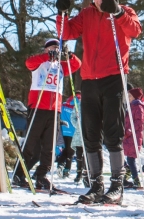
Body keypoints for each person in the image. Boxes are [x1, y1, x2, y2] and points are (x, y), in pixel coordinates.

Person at [56, 0, 142, 205]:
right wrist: (62, 13)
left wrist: (118, 12)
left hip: (114, 77)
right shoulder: (87, 14)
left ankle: (117, 185)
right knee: (90, 133)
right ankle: (96, 184)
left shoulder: (124, 11)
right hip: (89, 80)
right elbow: (67, 33)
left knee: (114, 132)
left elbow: (135, 31)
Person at [14, 39, 82, 190]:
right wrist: (47, 57)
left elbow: (77, 64)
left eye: (57, 48)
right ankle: (19, 173)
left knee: (50, 146)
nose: (55, 51)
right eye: (52, 48)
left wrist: (69, 54)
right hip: (38, 107)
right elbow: (28, 63)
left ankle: (42, 175)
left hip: (54, 109)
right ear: (46, 49)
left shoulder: (61, 66)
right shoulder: (39, 63)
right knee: (31, 142)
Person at [123, 88, 144, 189]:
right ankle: (127, 174)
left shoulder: (138, 106)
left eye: (130, 96)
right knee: (123, 155)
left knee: (131, 159)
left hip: (134, 136)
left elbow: (139, 122)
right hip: (128, 135)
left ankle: (136, 179)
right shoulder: (131, 106)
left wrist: (129, 131)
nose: (128, 98)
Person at [69, 92, 89, 187]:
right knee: (79, 155)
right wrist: (77, 125)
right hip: (78, 134)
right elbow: (72, 117)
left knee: (87, 155)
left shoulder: (90, 105)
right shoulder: (78, 106)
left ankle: (86, 173)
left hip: (88, 133)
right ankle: (79, 172)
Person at [58, 93, 78, 178]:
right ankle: (66, 169)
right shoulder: (78, 105)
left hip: (64, 130)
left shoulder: (64, 105)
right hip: (73, 131)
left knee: (66, 149)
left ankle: (61, 164)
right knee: (71, 151)